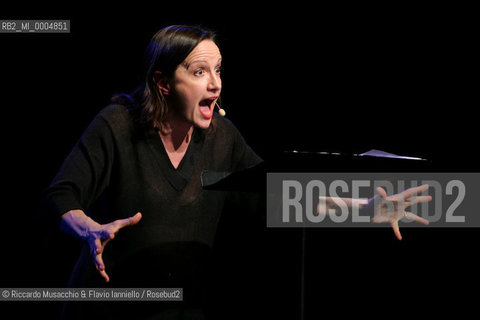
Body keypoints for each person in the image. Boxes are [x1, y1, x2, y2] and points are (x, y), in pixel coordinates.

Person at [43, 25, 431, 319]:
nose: (215, 83)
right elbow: (61, 195)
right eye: (199, 72)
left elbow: (279, 197)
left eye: (218, 70)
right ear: (162, 82)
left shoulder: (221, 139)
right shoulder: (118, 125)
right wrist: (89, 229)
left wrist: (366, 209)